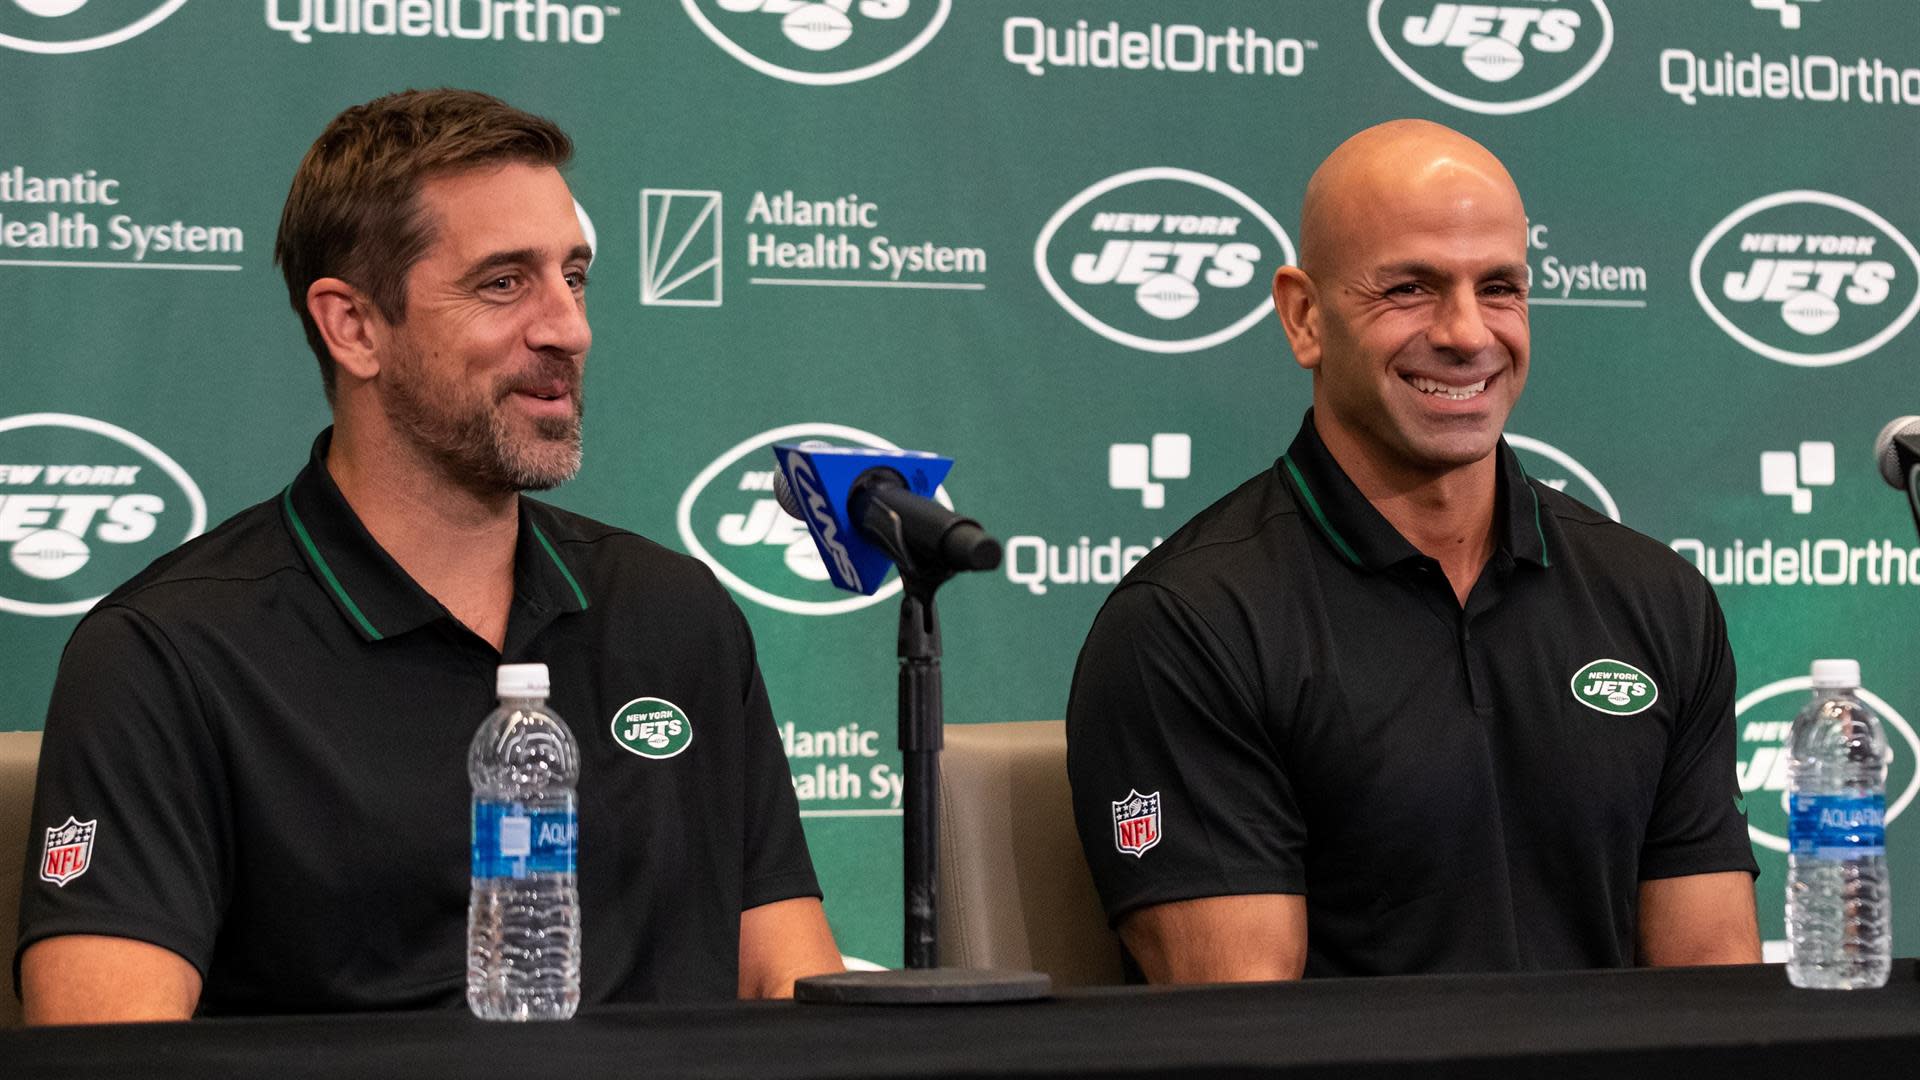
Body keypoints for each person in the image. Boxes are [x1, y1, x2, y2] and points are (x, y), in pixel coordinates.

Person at [14, 89, 843, 1023]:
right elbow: (110, 1051)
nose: (568, 326)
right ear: (354, 327)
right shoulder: (166, 655)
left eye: (574, 276)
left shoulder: (676, 613)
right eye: (503, 283)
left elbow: (787, 983)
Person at [1065, 120, 1761, 982]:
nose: (1468, 332)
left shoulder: (1657, 599)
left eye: (1499, 286)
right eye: (1410, 289)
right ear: (1304, 315)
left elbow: (1715, 982)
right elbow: (1240, 1031)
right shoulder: (1189, 624)